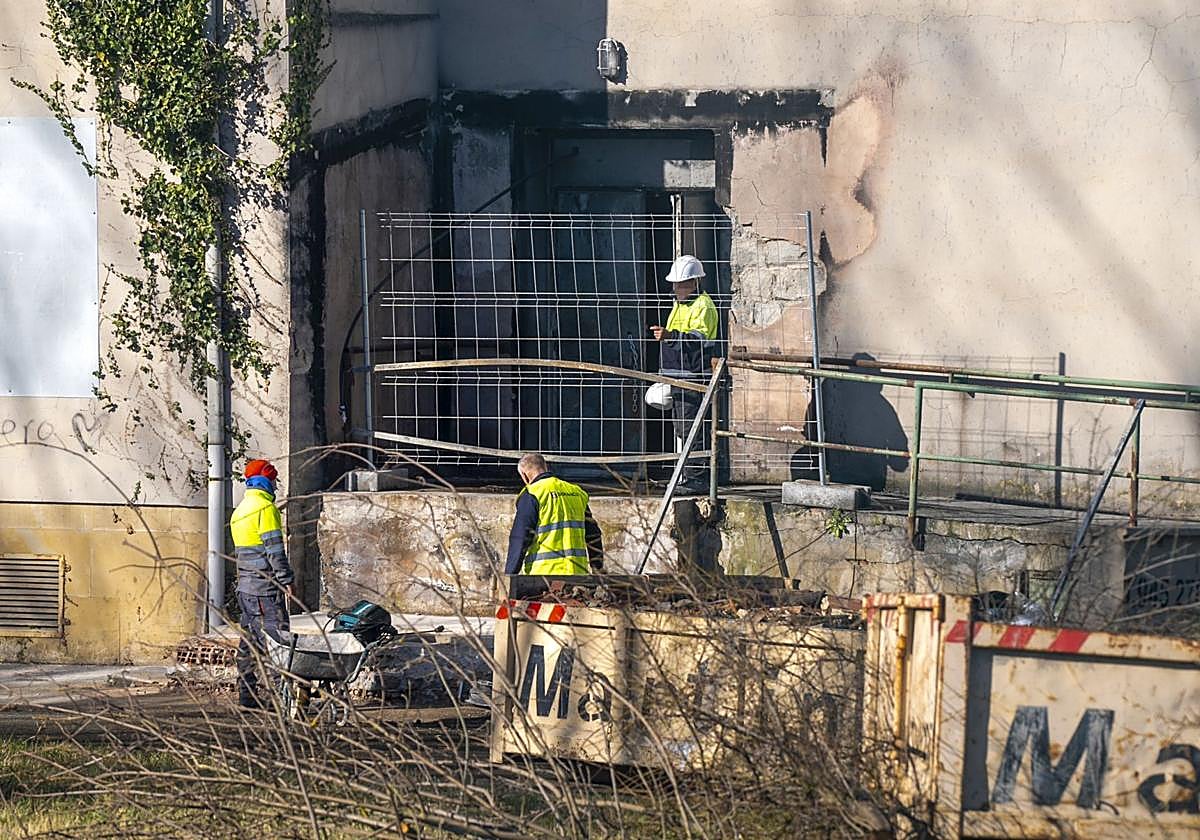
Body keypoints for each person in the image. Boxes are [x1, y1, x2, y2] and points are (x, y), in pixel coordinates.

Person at [650, 254, 719, 493]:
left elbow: (698, 341)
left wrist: (669, 336)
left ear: (694, 283)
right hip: (677, 374)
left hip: (692, 375)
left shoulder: (703, 306)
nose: (676, 288)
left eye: (681, 284)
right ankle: (686, 476)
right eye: (676, 284)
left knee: (692, 427)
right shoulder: (681, 305)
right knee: (682, 428)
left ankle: (696, 478)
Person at [230, 458, 294, 708]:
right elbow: (275, 551)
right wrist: (286, 580)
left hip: (245, 589)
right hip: (264, 589)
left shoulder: (240, 511)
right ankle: (284, 699)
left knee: (249, 643)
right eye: (274, 480)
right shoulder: (265, 510)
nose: (276, 487)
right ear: (266, 481)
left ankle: (247, 694)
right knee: (278, 640)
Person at [504, 453, 603, 575]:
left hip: (543, 576)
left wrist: (509, 575)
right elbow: (593, 534)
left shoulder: (532, 493)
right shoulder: (576, 492)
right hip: (578, 575)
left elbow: (520, 538)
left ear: (524, 476)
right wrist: (597, 568)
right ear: (545, 467)